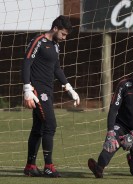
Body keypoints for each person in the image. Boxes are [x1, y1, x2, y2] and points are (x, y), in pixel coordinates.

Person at [22, 15, 80, 177]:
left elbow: (57, 68)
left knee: (38, 129)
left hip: (48, 91)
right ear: (55, 28)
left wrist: (69, 87)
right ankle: (49, 166)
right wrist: (27, 88)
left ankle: (30, 166)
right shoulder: (38, 41)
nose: (64, 37)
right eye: (63, 34)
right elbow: (26, 62)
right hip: (37, 90)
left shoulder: (55, 45)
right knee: (50, 124)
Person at [88, 59, 133, 178]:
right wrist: (111, 131)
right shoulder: (124, 85)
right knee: (109, 147)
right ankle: (98, 168)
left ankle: (131, 158)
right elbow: (113, 109)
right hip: (121, 126)